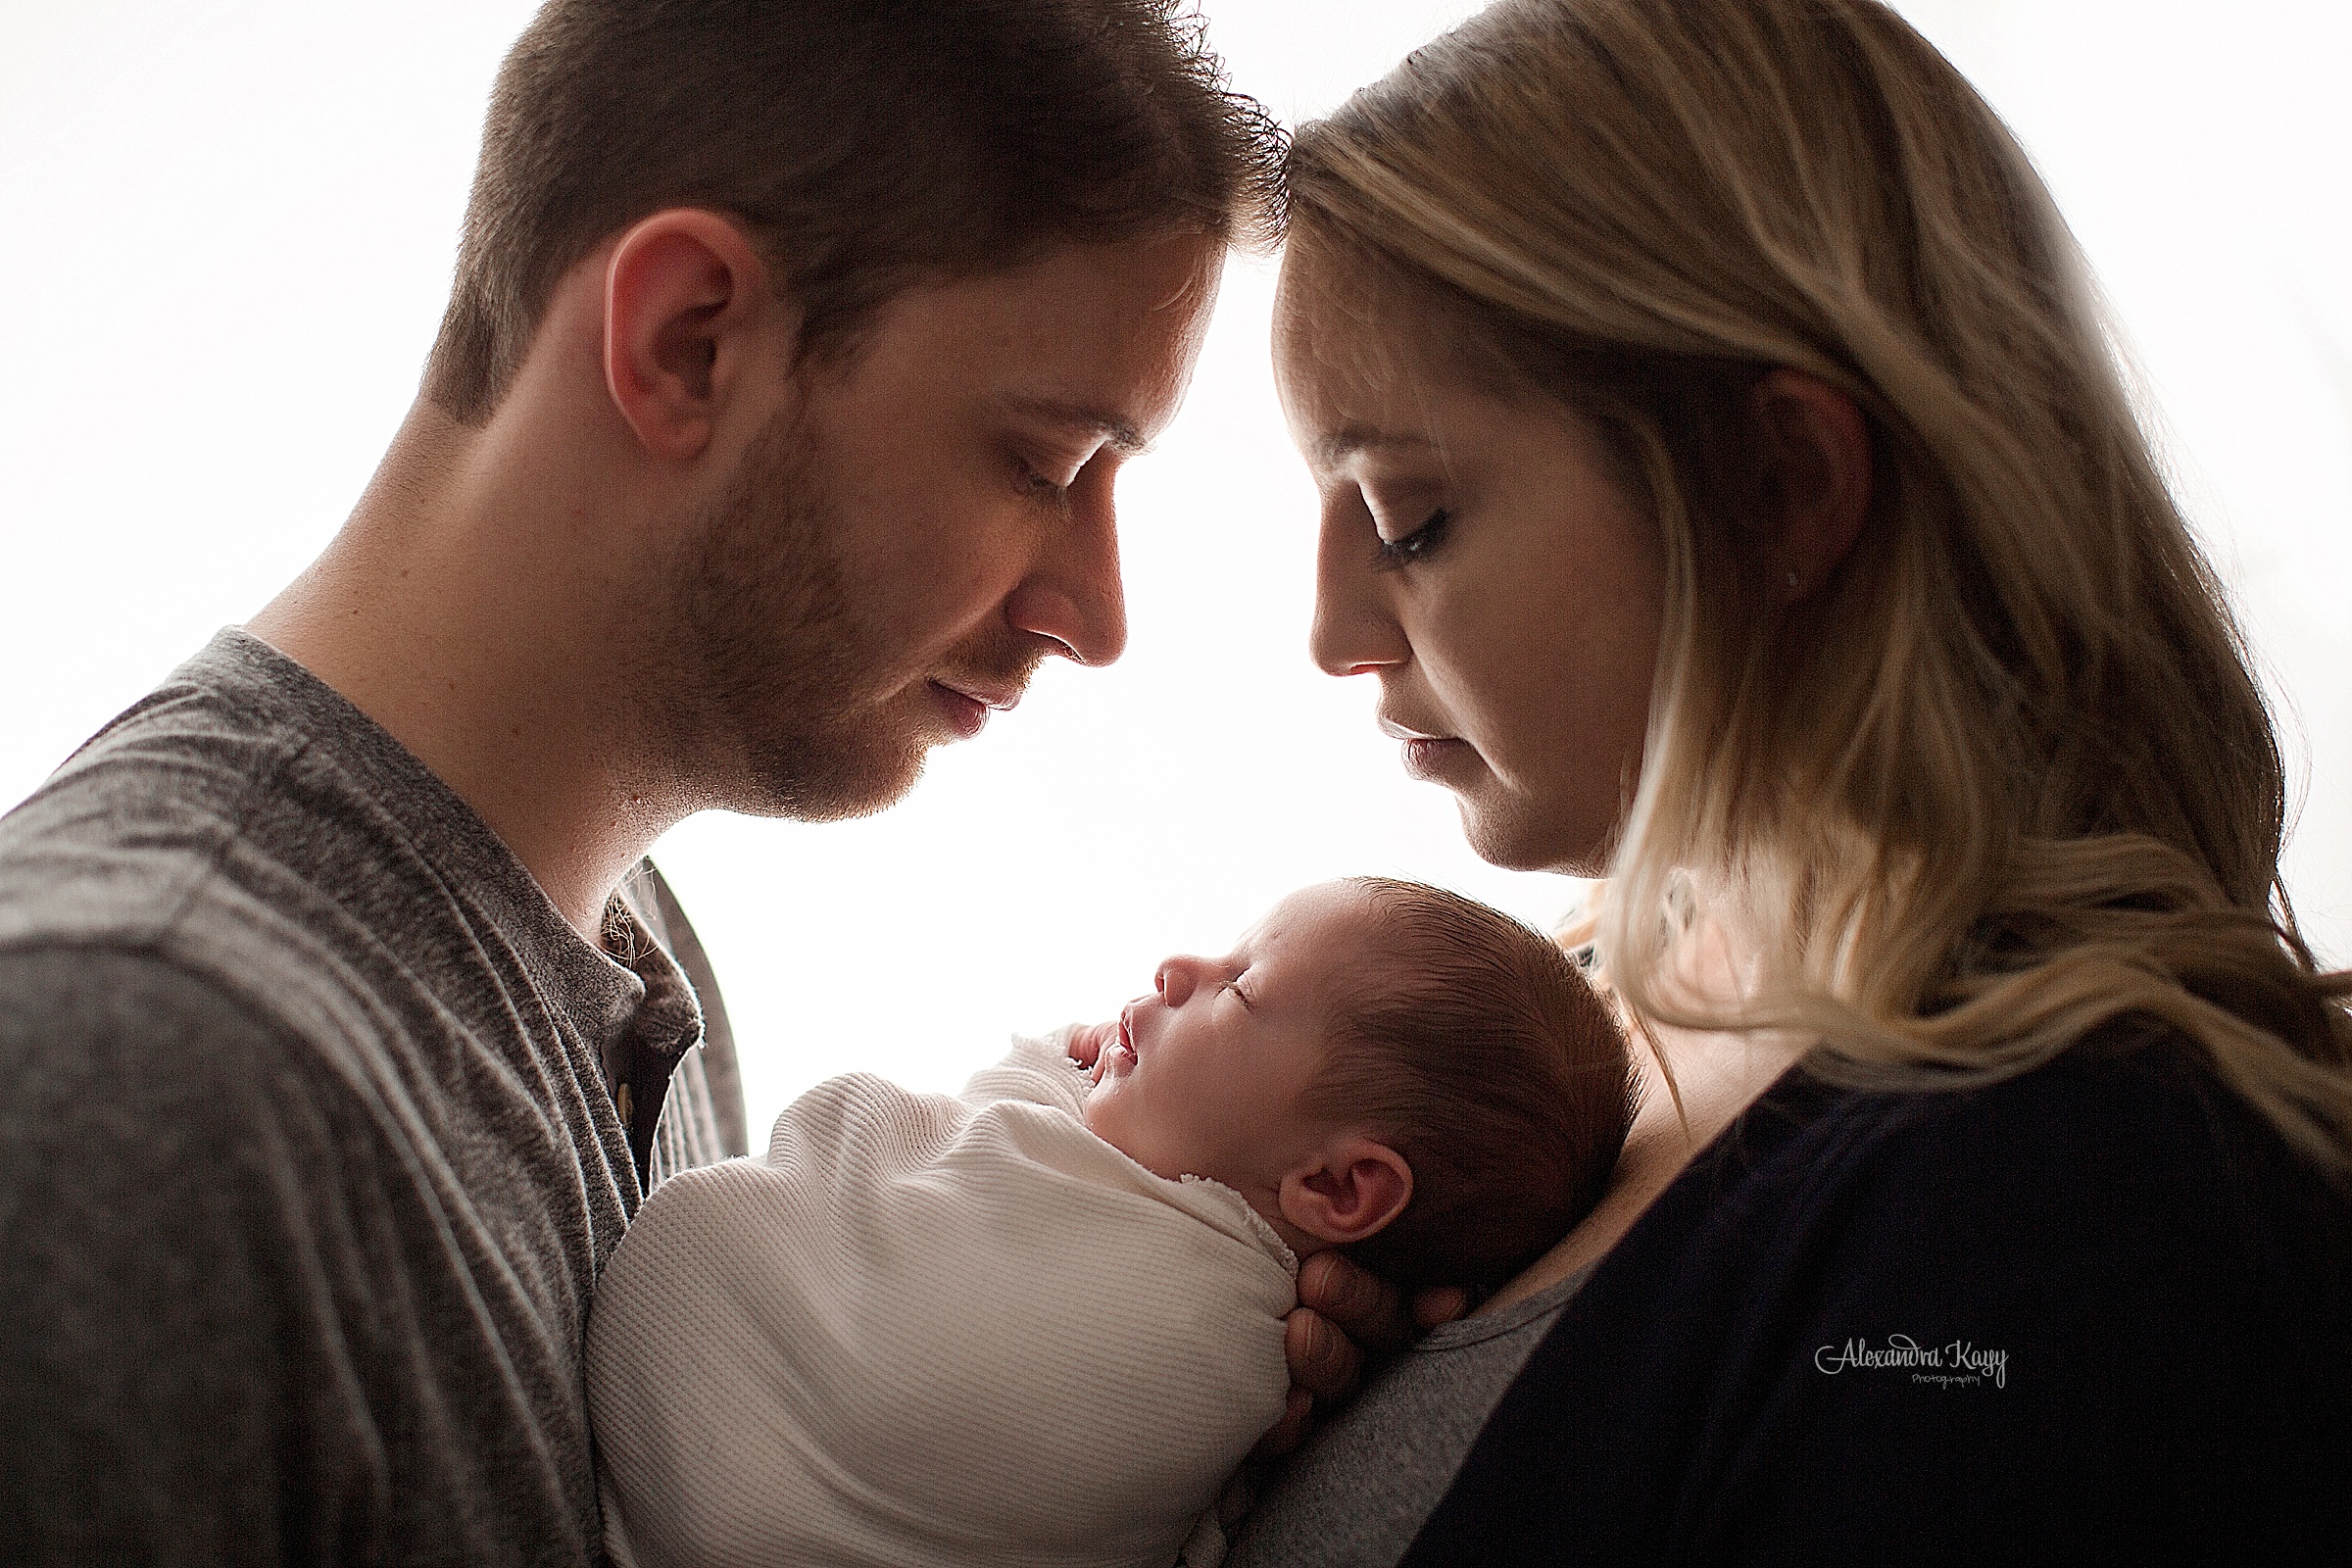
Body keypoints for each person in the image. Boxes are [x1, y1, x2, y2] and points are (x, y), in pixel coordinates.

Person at [0, 3, 1287, 1562]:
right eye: (1042, 464)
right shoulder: (120, 1087)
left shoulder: (623, 940)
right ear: (692, 340)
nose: (1096, 616)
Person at [1241, 0, 2352, 1561]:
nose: (1333, 631)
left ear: (1783, 487)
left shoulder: (2064, 1215)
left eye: (1409, 516)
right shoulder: (1551, 1073)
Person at [586, 877, 1630, 1568]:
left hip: (689, 1390)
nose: (1179, 970)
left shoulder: (1169, 1301)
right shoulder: (1255, 1373)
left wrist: (1052, 1067)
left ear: (1344, 1191)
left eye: (1245, 987)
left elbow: (949, 1148)